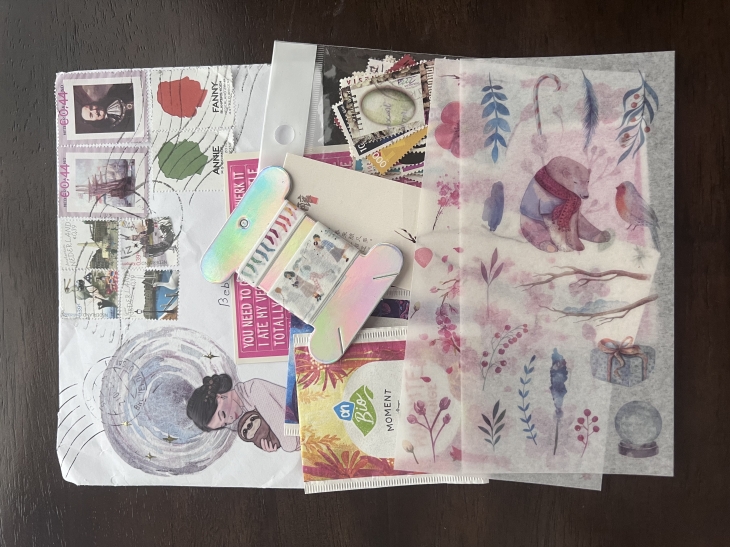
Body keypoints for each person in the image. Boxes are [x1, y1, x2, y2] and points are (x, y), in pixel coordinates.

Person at [186, 374, 300, 453]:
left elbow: (290, 442)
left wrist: (283, 441)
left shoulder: (254, 390)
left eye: (223, 414)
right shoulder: (247, 411)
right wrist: (272, 441)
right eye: (225, 424)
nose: (230, 419)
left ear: (219, 396)